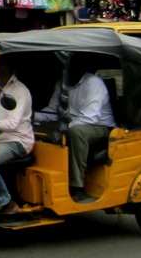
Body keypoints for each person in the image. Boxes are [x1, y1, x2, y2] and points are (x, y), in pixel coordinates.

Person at [34, 57, 115, 202]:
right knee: (37, 128)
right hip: (73, 123)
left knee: (76, 133)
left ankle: (77, 186)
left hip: (99, 127)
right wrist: (33, 117)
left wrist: (64, 129)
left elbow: (90, 117)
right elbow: (52, 110)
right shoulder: (62, 84)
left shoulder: (93, 83)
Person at [0, 59, 34, 215]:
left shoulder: (19, 91)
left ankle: (8, 203)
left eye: (0, 63)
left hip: (17, 140)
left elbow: (12, 123)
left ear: (9, 66)